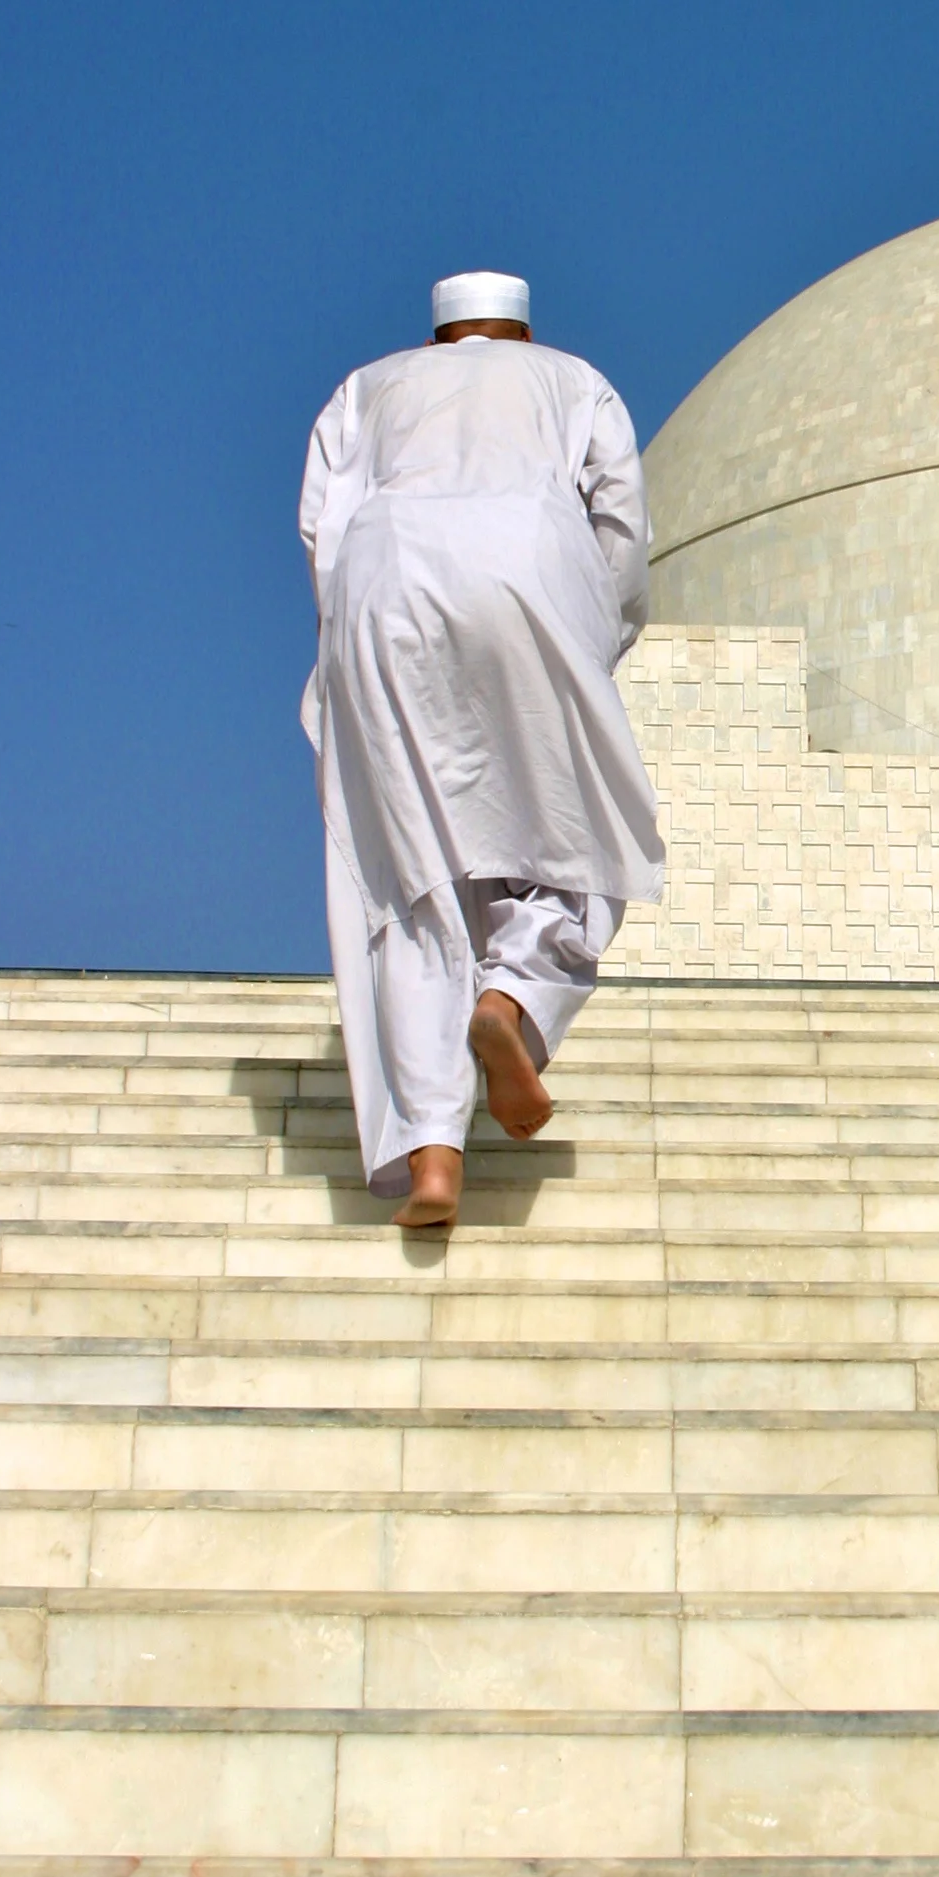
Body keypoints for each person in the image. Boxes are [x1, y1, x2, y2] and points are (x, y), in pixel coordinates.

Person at [299, 270, 662, 1226]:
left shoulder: (366, 387)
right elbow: (620, 523)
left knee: (413, 883)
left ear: (436, 333)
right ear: (523, 326)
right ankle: (514, 1002)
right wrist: (599, 639)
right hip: (528, 570)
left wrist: (354, 644)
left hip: (384, 588)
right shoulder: (572, 380)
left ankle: (432, 1161)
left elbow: (322, 529)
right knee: (574, 843)